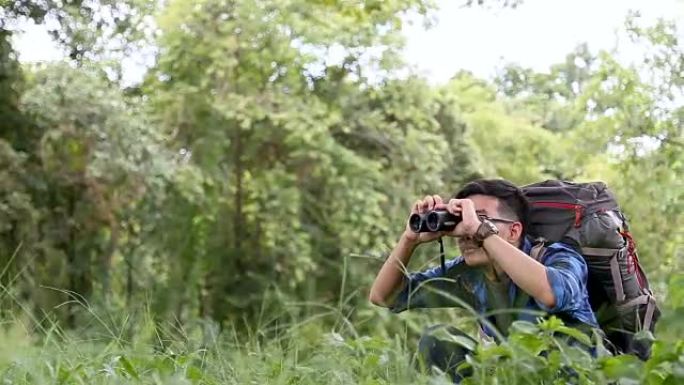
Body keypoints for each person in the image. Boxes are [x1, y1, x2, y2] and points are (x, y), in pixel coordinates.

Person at [368, 179, 598, 382]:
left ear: (514, 231)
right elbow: (384, 297)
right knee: (437, 339)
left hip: (575, 374)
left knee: (557, 345)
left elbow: (551, 294)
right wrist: (410, 239)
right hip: (513, 375)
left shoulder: (558, 256)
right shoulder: (468, 274)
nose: (468, 232)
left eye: (481, 219)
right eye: (462, 221)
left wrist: (480, 229)